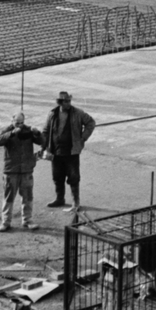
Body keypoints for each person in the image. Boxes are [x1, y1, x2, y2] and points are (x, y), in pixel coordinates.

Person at [40, 89, 97, 223]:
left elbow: (91, 123)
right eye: (65, 101)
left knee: (73, 177)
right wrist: (43, 147)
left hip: (72, 151)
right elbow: (45, 131)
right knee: (57, 176)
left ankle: (75, 202)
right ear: (59, 102)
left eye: (69, 101)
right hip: (56, 152)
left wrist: (83, 138)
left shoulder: (78, 113)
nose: (68, 103)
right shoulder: (52, 114)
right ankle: (60, 199)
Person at [0, 112, 43, 232]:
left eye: (21, 122)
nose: (20, 125)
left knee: (27, 196)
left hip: (26, 169)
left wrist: (37, 133)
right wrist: (11, 134)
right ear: (12, 121)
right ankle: (6, 222)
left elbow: (42, 141)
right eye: (17, 123)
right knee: (8, 197)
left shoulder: (28, 130)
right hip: (11, 170)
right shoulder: (7, 130)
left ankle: (27, 220)